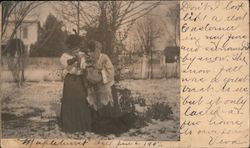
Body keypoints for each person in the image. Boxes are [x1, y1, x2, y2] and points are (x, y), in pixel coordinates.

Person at [59, 34, 91, 133]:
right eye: (74, 48)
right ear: (70, 47)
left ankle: (82, 125)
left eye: (78, 47)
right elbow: (67, 63)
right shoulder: (64, 56)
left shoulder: (82, 54)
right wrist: (76, 58)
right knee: (70, 101)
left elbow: (84, 67)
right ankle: (70, 125)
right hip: (70, 80)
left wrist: (83, 60)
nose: (76, 50)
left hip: (80, 79)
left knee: (81, 101)